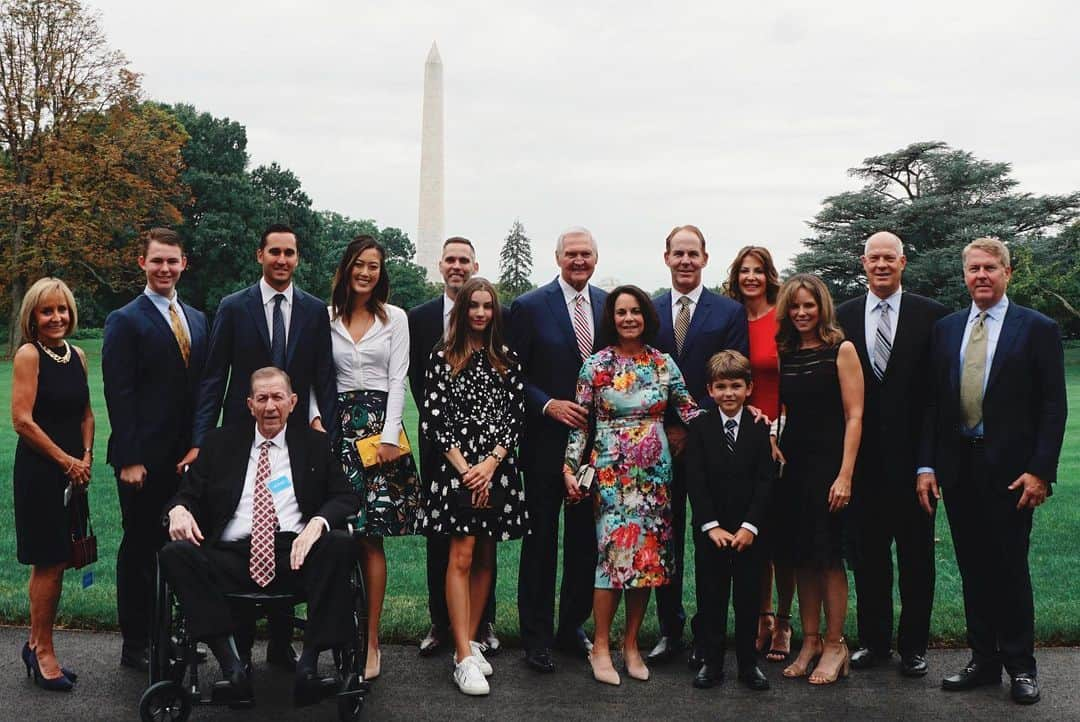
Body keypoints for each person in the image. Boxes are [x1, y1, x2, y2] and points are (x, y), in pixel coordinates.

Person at [918, 237, 1066, 705]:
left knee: (1009, 567)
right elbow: (933, 405)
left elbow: (1053, 405)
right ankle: (983, 660)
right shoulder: (946, 329)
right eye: (973, 269)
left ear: (1007, 272)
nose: (981, 276)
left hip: (1010, 472)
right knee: (973, 567)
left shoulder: (1036, 328)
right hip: (959, 466)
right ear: (965, 275)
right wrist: (927, 465)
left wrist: (1040, 471)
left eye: (990, 268)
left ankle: (1021, 665)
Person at [160, 367, 361, 708]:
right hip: (232, 554)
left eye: (278, 397)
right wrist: (178, 510)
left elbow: (346, 496)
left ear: (293, 402)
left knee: (341, 543)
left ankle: (309, 667)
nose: (270, 407)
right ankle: (232, 667)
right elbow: (187, 494)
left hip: (294, 552)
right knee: (174, 552)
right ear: (249, 404)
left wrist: (317, 524)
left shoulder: (313, 445)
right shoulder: (220, 443)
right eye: (263, 398)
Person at [185, 223, 336, 667]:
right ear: (260, 256)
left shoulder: (312, 311)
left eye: (290, 253)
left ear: (298, 258)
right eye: (275, 252)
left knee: (286, 521)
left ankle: (281, 641)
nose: (283, 260)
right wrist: (200, 440)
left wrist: (326, 427)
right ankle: (240, 645)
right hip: (240, 438)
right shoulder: (234, 307)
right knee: (245, 526)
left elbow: (322, 375)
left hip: (294, 440)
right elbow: (215, 377)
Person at [564, 285, 701, 686]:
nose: (628, 319)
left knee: (646, 562)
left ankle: (631, 646)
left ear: (646, 317)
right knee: (612, 560)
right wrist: (570, 468)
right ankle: (601, 647)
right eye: (621, 312)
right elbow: (580, 424)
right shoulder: (596, 365)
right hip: (610, 473)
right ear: (611, 318)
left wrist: (742, 420)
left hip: (656, 475)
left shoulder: (663, 364)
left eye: (635, 312)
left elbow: (690, 411)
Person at [835, 231, 947, 677]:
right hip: (862, 465)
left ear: (903, 262)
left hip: (916, 467)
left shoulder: (933, 317)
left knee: (917, 559)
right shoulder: (841, 317)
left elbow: (939, 399)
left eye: (890, 258)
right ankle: (874, 642)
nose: (881, 265)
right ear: (863, 263)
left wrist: (928, 463)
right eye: (874, 258)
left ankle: (914, 646)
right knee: (868, 558)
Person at [102, 228, 209, 672]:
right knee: (141, 549)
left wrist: (201, 446)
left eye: (172, 261)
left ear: (184, 263)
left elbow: (205, 389)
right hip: (142, 460)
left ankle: (175, 635)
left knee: (183, 550)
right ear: (141, 263)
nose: (165, 269)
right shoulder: (125, 319)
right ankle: (138, 641)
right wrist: (130, 457)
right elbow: (118, 393)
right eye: (157, 261)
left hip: (189, 459)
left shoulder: (199, 319)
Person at [420, 277, 528, 695]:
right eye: (473, 306)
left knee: (486, 552)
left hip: (496, 467)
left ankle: (474, 641)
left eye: (487, 306)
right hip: (457, 469)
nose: (481, 313)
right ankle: (461, 654)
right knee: (461, 553)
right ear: (462, 310)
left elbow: (515, 416)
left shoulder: (507, 358)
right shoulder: (443, 356)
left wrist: (491, 465)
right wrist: (468, 470)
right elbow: (433, 419)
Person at [648, 225, 749, 667]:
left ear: (705, 259)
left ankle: (708, 637)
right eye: (678, 254)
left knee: (709, 540)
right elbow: (645, 373)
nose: (686, 261)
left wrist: (691, 426)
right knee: (664, 539)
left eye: (693, 254)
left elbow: (732, 375)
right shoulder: (649, 312)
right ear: (666, 258)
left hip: (710, 445)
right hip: (658, 445)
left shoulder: (727, 312)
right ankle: (670, 629)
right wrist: (666, 426)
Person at [510, 226, 607, 673]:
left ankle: (572, 626)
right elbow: (512, 374)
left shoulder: (609, 305)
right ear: (557, 258)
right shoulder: (529, 307)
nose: (579, 260)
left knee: (586, 541)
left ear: (596, 258)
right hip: (546, 442)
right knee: (542, 540)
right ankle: (536, 635)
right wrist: (547, 404)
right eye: (571, 254)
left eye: (585, 253)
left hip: (596, 446)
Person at [327, 235, 422, 680]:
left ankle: (371, 642)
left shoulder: (395, 318)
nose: (366, 273)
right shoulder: (325, 318)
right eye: (360, 265)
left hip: (381, 434)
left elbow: (398, 378)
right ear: (347, 267)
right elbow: (315, 378)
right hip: (337, 430)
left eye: (374, 267)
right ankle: (338, 632)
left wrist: (388, 438)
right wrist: (314, 422)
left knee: (371, 537)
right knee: (338, 533)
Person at [408, 238, 500, 656]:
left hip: (487, 454)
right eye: (451, 260)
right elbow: (416, 379)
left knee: (484, 534)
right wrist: (442, 432)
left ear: (474, 264)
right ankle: (440, 623)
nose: (457, 267)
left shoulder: (499, 315)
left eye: (465, 260)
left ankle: (484, 625)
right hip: (439, 444)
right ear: (440, 265)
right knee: (439, 534)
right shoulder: (420, 318)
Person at [773, 274, 863, 685]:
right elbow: (783, 408)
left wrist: (845, 474)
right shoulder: (786, 352)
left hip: (830, 466)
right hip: (793, 467)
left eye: (809, 305)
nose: (802, 312)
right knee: (800, 556)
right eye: (795, 306)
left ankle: (834, 643)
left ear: (821, 307)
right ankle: (808, 641)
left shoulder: (840, 350)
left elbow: (854, 415)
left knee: (828, 557)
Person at [11, 277, 93, 691]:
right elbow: (22, 420)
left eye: (62, 309)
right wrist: (65, 461)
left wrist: (87, 458)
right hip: (42, 473)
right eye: (47, 310)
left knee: (61, 558)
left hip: (72, 473)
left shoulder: (76, 355)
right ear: (33, 316)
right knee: (49, 560)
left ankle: (34, 643)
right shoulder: (29, 354)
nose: (56, 317)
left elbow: (86, 415)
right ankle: (42, 651)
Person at [684, 351, 775, 691]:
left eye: (736, 386)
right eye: (721, 386)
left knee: (749, 597)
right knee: (712, 596)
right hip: (713, 532)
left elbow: (766, 481)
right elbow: (696, 479)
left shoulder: (759, 426)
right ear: (710, 389)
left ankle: (749, 665)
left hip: (749, 533)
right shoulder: (701, 427)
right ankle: (712, 661)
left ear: (749, 388)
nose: (729, 393)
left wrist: (750, 527)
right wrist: (711, 525)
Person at [723, 244, 792, 664]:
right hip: (741, 439)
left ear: (769, 276)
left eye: (758, 270)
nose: (751, 277)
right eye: (744, 270)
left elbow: (793, 377)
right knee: (756, 533)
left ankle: (784, 621)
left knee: (783, 536)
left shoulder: (780, 318)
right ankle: (762, 617)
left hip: (781, 436)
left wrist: (778, 432)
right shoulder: (731, 320)